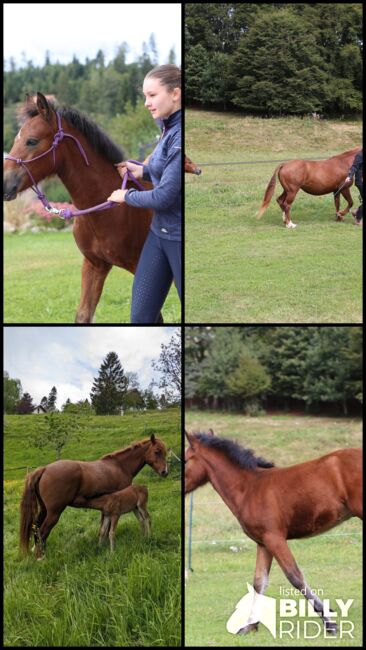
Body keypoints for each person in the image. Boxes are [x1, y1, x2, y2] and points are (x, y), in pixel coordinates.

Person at [107, 64, 182, 322]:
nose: (146, 103)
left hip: (179, 239)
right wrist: (141, 171)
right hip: (157, 236)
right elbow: (166, 172)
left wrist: (124, 196)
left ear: (175, 93)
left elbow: (164, 196)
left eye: (152, 95)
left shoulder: (180, 135)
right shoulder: (167, 128)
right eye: (144, 97)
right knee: (141, 318)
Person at [345, 149, 363, 226]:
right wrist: (349, 176)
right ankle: (358, 220)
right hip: (361, 181)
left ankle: (357, 211)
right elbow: (354, 167)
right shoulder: (360, 155)